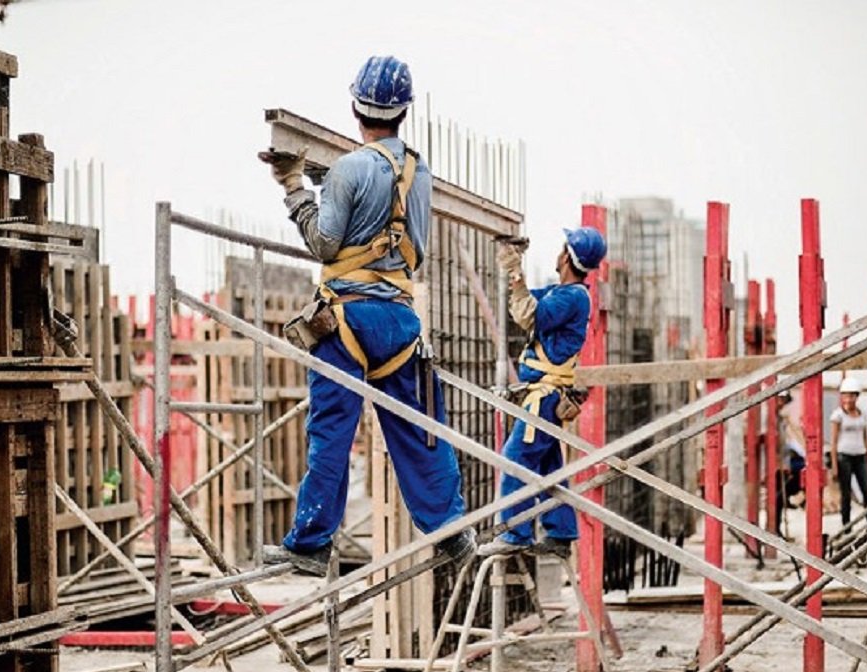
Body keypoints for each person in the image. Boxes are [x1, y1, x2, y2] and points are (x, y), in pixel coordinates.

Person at [259, 55, 474, 577]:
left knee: (332, 430)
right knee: (419, 427)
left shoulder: (348, 170)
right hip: (398, 320)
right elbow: (408, 236)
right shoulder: (419, 172)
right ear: (405, 112)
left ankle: (310, 542)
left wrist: (294, 187)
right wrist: (326, 180)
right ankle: (449, 531)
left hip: (347, 319)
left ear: (355, 106)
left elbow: (324, 243)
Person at [476, 227, 607, 559]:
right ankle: (560, 531)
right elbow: (523, 303)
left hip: (544, 397)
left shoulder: (572, 297)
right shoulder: (563, 293)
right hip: (546, 395)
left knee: (516, 460)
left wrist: (515, 271)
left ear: (566, 256)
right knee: (548, 466)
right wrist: (513, 274)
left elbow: (529, 315)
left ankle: (515, 532)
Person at [830, 376, 867, 525]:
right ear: (842, 396)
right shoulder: (838, 415)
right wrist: (834, 466)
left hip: (860, 456)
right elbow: (834, 442)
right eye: (846, 395)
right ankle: (846, 526)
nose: (849, 399)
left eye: (852, 395)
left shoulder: (862, 415)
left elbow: (865, 438)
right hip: (844, 457)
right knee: (846, 494)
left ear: (857, 396)